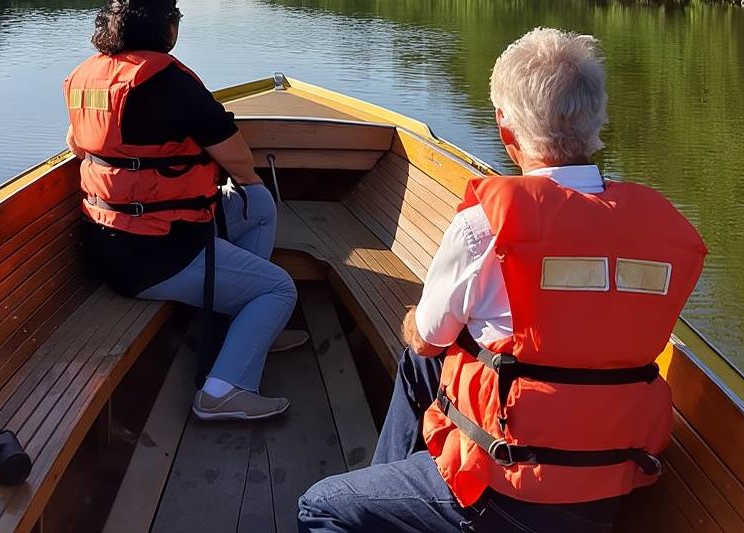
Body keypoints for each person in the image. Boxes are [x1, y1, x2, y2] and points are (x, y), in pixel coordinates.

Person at [297, 28, 707, 532]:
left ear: (506, 131)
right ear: (598, 122)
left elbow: (428, 338)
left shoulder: (486, 225)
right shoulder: (661, 228)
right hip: (609, 484)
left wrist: (415, 323)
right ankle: (395, 490)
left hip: (505, 491)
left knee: (320, 504)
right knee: (423, 368)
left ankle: (391, 504)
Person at [63, 0, 305, 422]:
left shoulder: (84, 78)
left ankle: (246, 327)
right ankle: (222, 390)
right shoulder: (172, 83)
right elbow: (241, 164)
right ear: (167, 25)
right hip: (159, 255)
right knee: (277, 287)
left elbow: (77, 144)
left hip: (103, 248)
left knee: (259, 208)